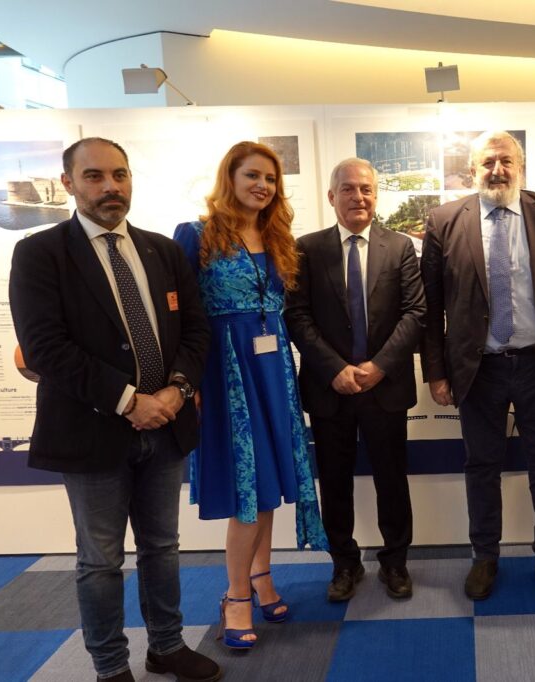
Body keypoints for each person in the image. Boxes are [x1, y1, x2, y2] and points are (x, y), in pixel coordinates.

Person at [9, 138, 219, 682]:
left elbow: (196, 330)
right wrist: (129, 401)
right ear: (68, 183)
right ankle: (110, 666)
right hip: (92, 429)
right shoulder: (40, 254)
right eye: (95, 176)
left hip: (166, 426)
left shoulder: (161, 251)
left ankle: (167, 646)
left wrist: (175, 391)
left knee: (162, 547)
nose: (111, 187)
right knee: (100, 559)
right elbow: (45, 347)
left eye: (120, 175)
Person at [420, 130, 535, 602]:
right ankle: (485, 557)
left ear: (520, 166)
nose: (497, 170)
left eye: (506, 161)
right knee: (481, 467)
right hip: (478, 369)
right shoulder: (444, 220)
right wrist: (436, 372)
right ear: (473, 170)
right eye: (488, 162)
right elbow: (431, 307)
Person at [172, 141, 326, 650]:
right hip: (226, 370)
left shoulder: (279, 237)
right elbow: (180, 316)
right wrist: (187, 381)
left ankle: (261, 575)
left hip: (273, 365)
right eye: (253, 175)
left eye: (271, 178)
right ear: (230, 178)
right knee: (249, 485)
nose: (263, 185)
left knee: (271, 477)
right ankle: (235, 594)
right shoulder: (195, 234)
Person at [284, 158, 425, 601]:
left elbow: (415, 312)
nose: (358, 197)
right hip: (331, 389)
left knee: (392, 480)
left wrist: (379, 366)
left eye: (366, 189)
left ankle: (395, 562)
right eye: (347, 189)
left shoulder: (400, 247)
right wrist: (335, 368)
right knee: (335, 482)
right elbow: (297, 316)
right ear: (332, 196)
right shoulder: (306, 249)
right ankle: (344, 563)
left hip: (385, 387)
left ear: (376, 196)